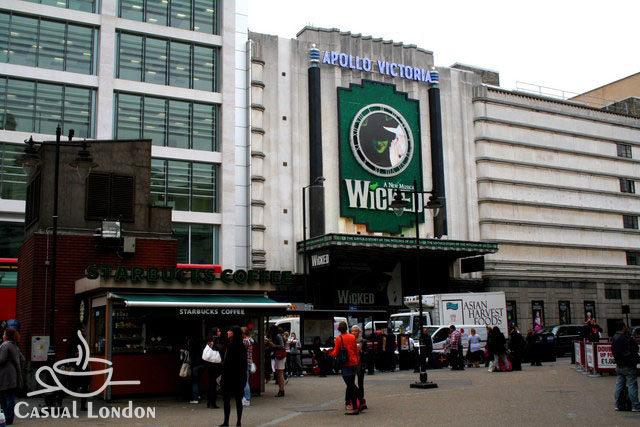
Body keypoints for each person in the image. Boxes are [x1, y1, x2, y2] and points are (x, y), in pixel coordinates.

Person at [327, 322, 360, 415]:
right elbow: (356, 350)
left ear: (338, 330)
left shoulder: (339, 338)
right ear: (347, 328)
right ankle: (358, 402)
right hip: (353, 362)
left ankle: (356, 406)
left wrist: (328, 352)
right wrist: (356, 361)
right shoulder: (352, 337)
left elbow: (336, 352)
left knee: (350, 385)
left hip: (345, 363)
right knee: (351, 383)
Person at [220, 326, 248, 427]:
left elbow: (227, 364)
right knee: (238, 400)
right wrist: (244, 378)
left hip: (229, 377)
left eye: (230, 331)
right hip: (239, 377)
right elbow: (244, 364)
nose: (227, 332)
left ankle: (226, 422)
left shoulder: (230, 346)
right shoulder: (242, 347)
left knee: (226, 399)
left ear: (233, 333)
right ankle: (238, 422)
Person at [611, 321, 640, 412]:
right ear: (623, 327)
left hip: (619, 364)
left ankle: (617, 404)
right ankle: (635, 405)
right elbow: (634, 349)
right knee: (632, 385)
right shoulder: (627, 338)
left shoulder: (614, 338)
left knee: (619, 385)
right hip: (629, 364)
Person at [0, 328, 22, 426]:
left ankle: (7, 418)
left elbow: (2, 359)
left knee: (6, 398)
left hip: (6, 376)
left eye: (4, 334)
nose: (3, 335)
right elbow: (22, 358)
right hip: (13, 376)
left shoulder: (5, 346)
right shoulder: (15, 346)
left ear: (7, 336)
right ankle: (9, 418)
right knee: (9, 397)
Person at [205, 327, 224, 408]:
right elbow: (220, 349)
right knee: (214, 383)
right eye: (219, 331)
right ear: (215, 332)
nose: (220, 332)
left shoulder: (209, 340)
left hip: (210, 364)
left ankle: (209, 401)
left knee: (211, 383)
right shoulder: (216, 340)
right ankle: (213, 402)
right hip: (215, 364)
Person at [266, 325, 285, 397]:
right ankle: (281, 389)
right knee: (279, 373)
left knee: (280, 373)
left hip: (280, 356)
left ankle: (281, 390)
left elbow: (282, 347)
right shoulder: (275, 336)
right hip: (278, 356)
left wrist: (273, 345)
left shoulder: (277, 336)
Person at [351, 325, 367, 411]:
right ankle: (356, 399)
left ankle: (361, 399)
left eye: (355, 331)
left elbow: (366, 352)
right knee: (351, 382)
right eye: (352, 331)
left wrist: (361, 352)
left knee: (360, 382)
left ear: (359, 332)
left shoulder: (363, 341)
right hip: (352, 363)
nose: (354, 333)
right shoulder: (350, 340)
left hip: (360, 364)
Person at [241, 327, 253, 407]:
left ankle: (247, 399)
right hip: (249, 362)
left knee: (245, 381)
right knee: (246, 380)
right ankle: (246, 398)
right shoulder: (251, 340)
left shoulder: (245, 341)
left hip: (244, 363)